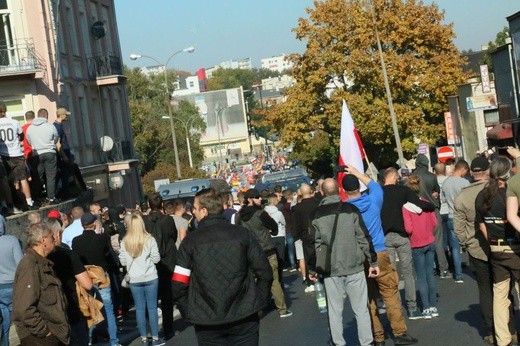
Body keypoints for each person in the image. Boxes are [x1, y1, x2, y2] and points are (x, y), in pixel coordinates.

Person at [172, 188, 273, 345]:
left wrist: (190, 312)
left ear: (204, 211)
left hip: (209, 321)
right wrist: (258, 301)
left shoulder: (190, 242)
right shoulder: (241, 234)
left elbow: (178, 284)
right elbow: (265, 271)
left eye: (195, 209)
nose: (193, 212)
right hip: (243, 315)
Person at [342, 166, 417, 345]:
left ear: (344, 191)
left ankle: (377, 336)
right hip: (379, 251)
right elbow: (374, 185)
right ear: (358, 187)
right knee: (390, 292)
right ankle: (399, 332)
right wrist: (356, 172)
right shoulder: (373, 200)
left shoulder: (345, 209)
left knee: (368, 298)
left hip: (359, 256)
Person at [311, 178, 379, 346]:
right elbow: (363, 237)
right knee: (361, 310)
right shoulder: (351, 209)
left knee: (335, 311)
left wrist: (313, 269)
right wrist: (373, 262)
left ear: (322, 192)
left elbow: (313, 244)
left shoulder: (316, 215)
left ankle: (338, 342)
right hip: (354, 265)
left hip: (330, 269)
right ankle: (367, 342)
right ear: (339, 190)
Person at [381, 167, 435, 319]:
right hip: (402, 235)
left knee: (391, 274)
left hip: (385, 236)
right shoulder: (402, 191)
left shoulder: (377, 193)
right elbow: (419, 204)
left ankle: (395, 306)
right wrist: (431, 206)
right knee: (407, 272)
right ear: (393, 177)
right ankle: (412, 307)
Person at [475, 157, 518, 346]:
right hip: (515, 248)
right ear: (508, 172)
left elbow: (482, 226)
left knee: (499, 295)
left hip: (495, 248)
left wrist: (492, 242)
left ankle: (502, 339)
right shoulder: (511, 194)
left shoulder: (482, 196)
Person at [236, 188, 292, 318]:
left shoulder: (240, 216)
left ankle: (257, 309)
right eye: (257, 197)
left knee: (256, 282)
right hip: (267, 251)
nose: (260, 199)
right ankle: (282, 309)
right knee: (274, 281)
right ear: (250, 199)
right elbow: (274, 227)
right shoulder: (261, 213)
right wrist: (270, 232)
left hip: (251, 253)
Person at [12, 222, 70, 346]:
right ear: (43, 240)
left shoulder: (43, 263)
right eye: (51, 237)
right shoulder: (29, 264)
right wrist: (45, 331)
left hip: (52, 334)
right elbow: (24, 308)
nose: (54, 239)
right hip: (40, 338)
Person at [72, 213, 120, 346]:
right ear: (94, 224)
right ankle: (114, 341)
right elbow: (106, 253)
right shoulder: (102, 238)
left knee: (89, 308)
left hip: (86, 277)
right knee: (108, 309)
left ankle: (91, 338)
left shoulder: (76, 241)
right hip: (101, 277)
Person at [119, 213, 164, 346]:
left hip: (134, 278)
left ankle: (144, 338)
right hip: (150, 276)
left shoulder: (125, 241)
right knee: (152, 308)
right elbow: (156, 259)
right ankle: (155, 338)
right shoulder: (149, 239)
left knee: (139, 309)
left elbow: (122, 261)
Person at [47, 220, 93, 346]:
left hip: (50, 315)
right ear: (58, 234)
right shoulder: (68, 254)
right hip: (71, 307)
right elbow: (87, 284)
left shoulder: (39, 259)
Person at [403, 176, 439, 319]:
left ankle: (425, 307)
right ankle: (433, 305)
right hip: (429, 241)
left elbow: (408, 228)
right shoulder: (426, 204)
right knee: (430, 274)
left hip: (416, 243)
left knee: (421, 277)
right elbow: (434, 223)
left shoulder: (405, 208)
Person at [142, 193, 177, 339]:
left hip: (149, 262)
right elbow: (173, 237)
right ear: (161, 205)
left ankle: (152, 329)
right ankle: (168, 328)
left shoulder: (144, 221)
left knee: (149, 297)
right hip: (167, 260)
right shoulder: (168, 220)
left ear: (149, 205)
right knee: (167, 296)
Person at [412, 154, 449, 278]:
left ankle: (423, 270)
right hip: (432, 210)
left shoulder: (411, 177)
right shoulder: (432, 177)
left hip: (416, 212)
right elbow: (436, 191)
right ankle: (443, 269)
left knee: (419, 242)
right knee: (437, 240)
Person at [0, 103, 34, 211]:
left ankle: (8, 205)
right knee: (23, 179)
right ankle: (29, 202)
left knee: (5, 181)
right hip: (17, 154)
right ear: (5, 111)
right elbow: (21, 136)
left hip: (4, 155)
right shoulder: (14, 122)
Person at [442, 159, 470, 283]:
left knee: (454, 247)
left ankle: (458, 274)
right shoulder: (465, 183)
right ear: (463, 169)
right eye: (466, 171)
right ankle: (474, 267)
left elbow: (443, 200)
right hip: (463, 217)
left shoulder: (446, 183)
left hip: (451, 215)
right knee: (470, 242)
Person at [26, 108, 60, 205]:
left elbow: (28, 141)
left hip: (37, 154)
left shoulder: (30, 128)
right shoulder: (50, 126)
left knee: (37, 176)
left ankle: (36, 198)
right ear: (46, 115)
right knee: (50, 176)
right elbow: (56, 138)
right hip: (50, 152)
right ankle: (51, 198)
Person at [53, 107, 87, 197]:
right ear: (61, 115)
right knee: (65, 174)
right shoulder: (57, 127)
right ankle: (65, 193)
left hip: (65, 152)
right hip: (63, 153)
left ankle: (77, 189)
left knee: (69, 171)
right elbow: (58, 143)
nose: (67, 116)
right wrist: (64, 156)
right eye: (66, 115)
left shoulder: (59, 126)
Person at [0, 214, 23, 346]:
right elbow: (20, 263)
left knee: (4, 324)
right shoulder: (12, 240)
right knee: (21, 319)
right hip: (13, 285)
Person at [292, 183, 320, 292]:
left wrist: (296, 236)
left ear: (301, 193)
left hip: (306, 236)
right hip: (319, 233)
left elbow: (296, 225)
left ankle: (311, 280)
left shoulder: (297, 208)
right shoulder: (318, 204)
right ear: (311, 191)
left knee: (308, 258)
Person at [265, 193, 286, 282]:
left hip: (269, 237)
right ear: (274, 201)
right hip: (280, 236)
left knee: (271, 258)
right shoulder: (279, 213)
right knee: (280, 258)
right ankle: (280, 278)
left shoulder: (264, 213)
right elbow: (284, 223)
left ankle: (274, 278)